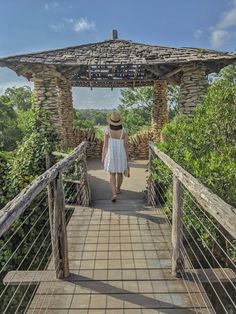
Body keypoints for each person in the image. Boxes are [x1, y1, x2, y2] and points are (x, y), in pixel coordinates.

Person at [101, 111, 129, 202]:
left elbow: (105, 145)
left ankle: (113, 194)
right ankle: (118, 189)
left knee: (112, 174)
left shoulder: (107, 130)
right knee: (120, 172)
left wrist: (103, 156)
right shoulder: (124, 131)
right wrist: (127, 157)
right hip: (121, 154)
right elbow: (126, 145)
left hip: (111, 154)